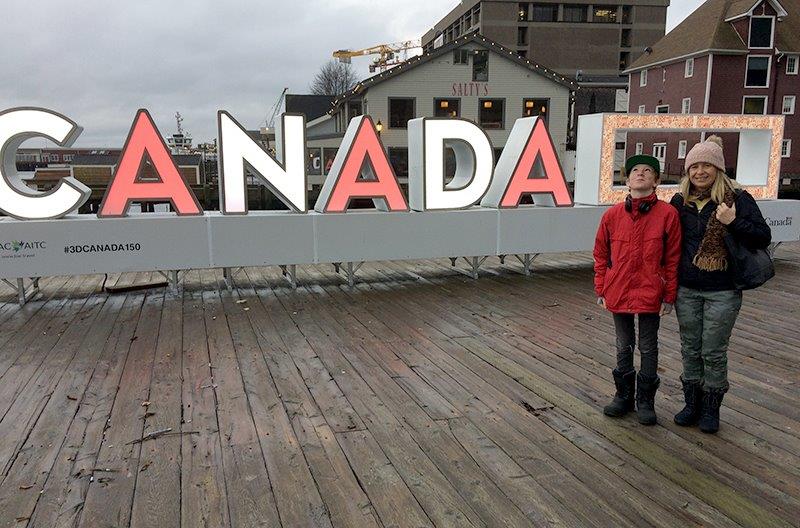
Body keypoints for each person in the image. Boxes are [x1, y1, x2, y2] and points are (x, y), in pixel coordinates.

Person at [670, 135, 771, 434]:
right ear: (687, 172)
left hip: (723, 289)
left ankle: (711, 409)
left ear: (718, 169)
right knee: (690, 348)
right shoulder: (680, 202)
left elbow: (762, 237)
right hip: (686, 288)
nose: (700, 172)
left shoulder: (738, 200)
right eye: (694, 166)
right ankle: (692, 404)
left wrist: (732, 221)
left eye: (707, 166)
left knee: (713, 350)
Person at [593, 155, 682, 425]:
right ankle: (623, 396)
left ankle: (645, 401)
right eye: (634, 170)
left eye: (647, 171)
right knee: (623, 345)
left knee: (648, 346)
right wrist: (601, 289)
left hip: (650, 291)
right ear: (627, 179)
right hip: (618, 290)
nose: (640, 174)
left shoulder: (668, 215)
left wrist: (669, 295)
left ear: (656, 180)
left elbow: (673, 258)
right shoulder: (611, 215)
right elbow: (600, 254)